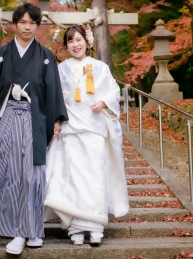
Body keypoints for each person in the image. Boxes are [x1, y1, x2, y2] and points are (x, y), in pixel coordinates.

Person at [0, 3, 69, 256]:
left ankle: (31, 229)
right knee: (5, 171)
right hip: (7, 116)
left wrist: (56, 120)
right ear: (15, 24)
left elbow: (52, 89)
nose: (28, 27)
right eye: (23, 22)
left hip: (34, 119)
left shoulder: (44, 55)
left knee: (32, 174)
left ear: (37, 26)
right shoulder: (1, 53)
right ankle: (16, 228)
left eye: (32, 22)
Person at [43, 24, 129, 246]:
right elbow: (54, 98)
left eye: (78, 39)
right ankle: (76, 228)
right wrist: (56, 120)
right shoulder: (60, 70)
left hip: (94, 129)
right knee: (72, 178)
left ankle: (95, 226)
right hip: (71, 129)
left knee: (94, 177)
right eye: (70, 41)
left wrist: (103, 102)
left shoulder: (100, 67)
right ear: (66, 45)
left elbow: (113, 91)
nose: (75, 44)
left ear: (87, 42)